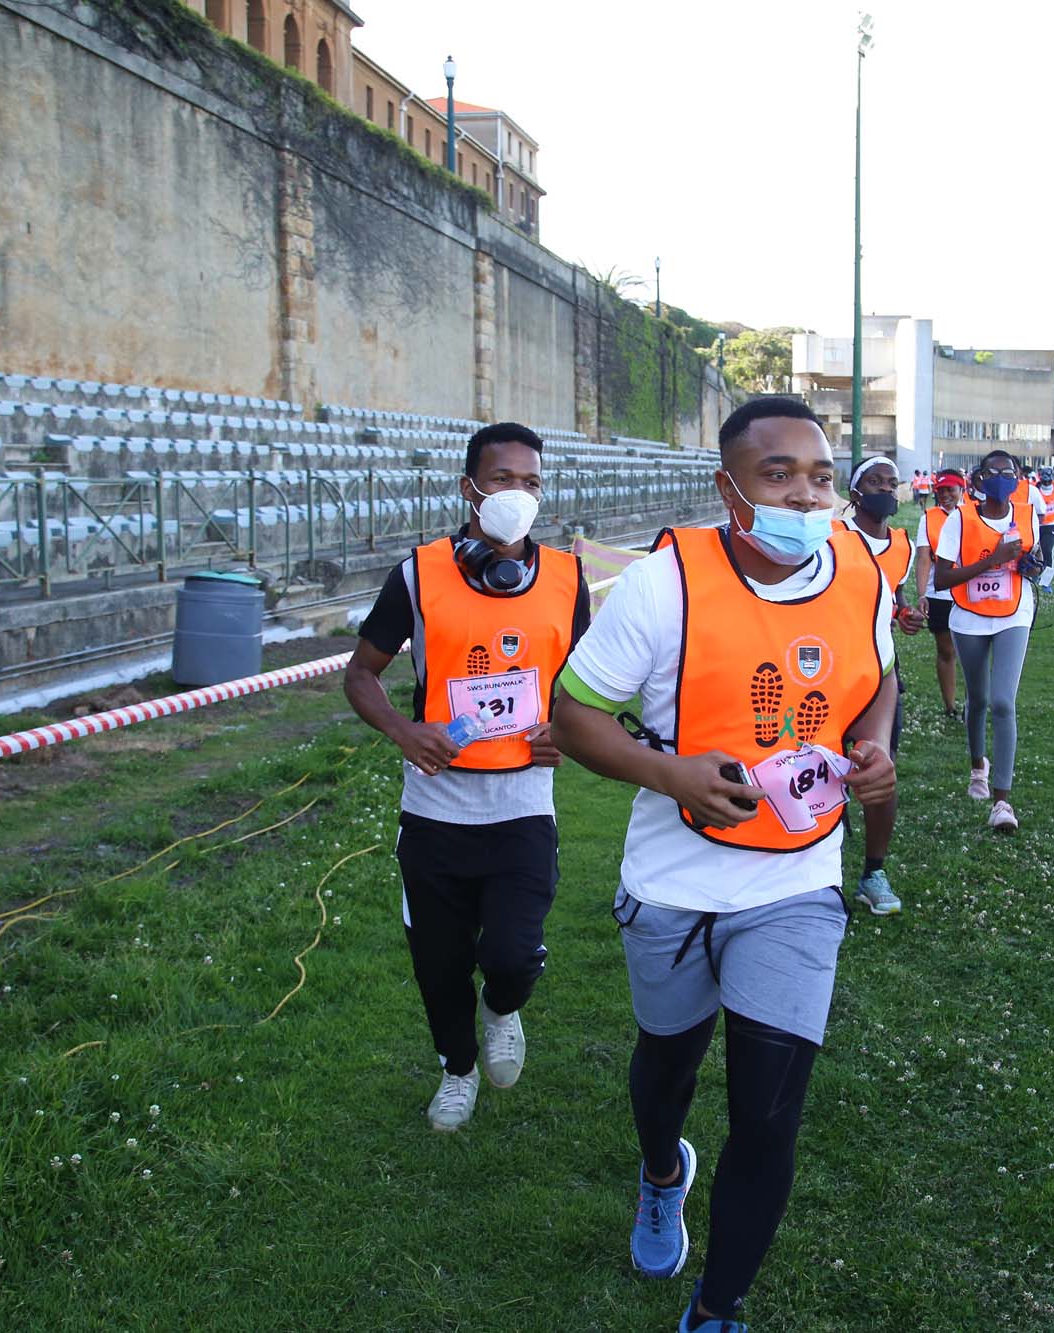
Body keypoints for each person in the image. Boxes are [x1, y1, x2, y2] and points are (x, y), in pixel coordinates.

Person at [549, 396, 898, 1333]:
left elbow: (878, 674)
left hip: (795, 882)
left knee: (768, 1111)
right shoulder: (667, 585)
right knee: (666, 1067)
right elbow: (572, 712)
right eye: (776, 473)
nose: (804, 492)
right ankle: (663, 1170)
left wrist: (874, 743)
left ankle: (717, 1308)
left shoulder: (862, 569)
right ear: (728, 488)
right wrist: (671, 774)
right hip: (673, 884)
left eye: (820, 475)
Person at [343, 422, 589, 1131]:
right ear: (470, 489)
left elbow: (587, 684)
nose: (519, 493)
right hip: (434, 811)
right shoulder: (419, 573)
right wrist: (402, 728)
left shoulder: (569, 578)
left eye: (532, 482)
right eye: (504, 479)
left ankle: (503, 1007)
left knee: (511, 955)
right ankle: (457, 1068)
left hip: (522, 804)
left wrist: (565, 730)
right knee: (439, 964)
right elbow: (362, 672)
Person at [932, 450, 1038, 832]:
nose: (1000, 478)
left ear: (1018, 477)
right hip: (969, 617)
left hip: (1014, 613)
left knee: (1002, 702)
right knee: (977, 700)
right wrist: (991, 560)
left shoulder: (1027, 514)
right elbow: (942, 579)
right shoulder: (960, 519)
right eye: (992, 472)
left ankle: (1002, 802)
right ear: (978, 479)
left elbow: (1032, 562)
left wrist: (1032, 565)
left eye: (1007, 472)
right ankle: (978, 767)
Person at [841, 455, 924, 915]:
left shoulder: (901, 545)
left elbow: (893, 598)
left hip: (878, 670)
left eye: (893, 484)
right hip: (824, 668)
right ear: (856, 493)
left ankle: (874, 871)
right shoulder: (832, 539)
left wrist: (904, 614)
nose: (887, 491)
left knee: (879, 770)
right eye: (876, 483)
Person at [912, 469, 966, 719]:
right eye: (941, 491)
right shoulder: (929, 518)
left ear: (961, 490)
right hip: (941, 594)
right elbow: (923, 558)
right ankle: (950, 706)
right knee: (946, 650)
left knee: (973, 651)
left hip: (970, 592)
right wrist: (922, 593)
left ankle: (976, 702)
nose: (945, 495)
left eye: (950, 490)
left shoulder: (973, 514)